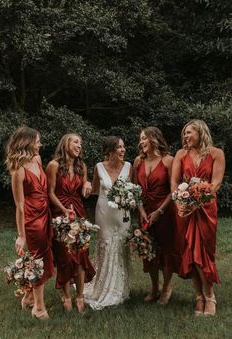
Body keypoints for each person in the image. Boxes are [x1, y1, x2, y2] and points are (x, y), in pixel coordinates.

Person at [171, 119, 225, 316]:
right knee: (190, 254)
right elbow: (175, 183)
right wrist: (179, 203)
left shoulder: (216, 153)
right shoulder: (180, 154)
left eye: (189, 132)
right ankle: (199, 297)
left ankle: (210, 296)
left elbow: (216, 183)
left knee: (203, 252)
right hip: (186, 211)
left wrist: (199, 198)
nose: (185, 136)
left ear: (201, 132)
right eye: (184, 133)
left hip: (205, 209)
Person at [5, 127, 54, 320]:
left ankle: (28, 298)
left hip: (46, 213)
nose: (40, 144)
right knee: (37, 261)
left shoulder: (37, 160)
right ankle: (39, 308)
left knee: (46, 257)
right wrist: (21, 235)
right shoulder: (18, 171)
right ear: (27, 143)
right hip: (32, 220)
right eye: (37, 141)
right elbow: (19, 206)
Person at [46, 133, 95, 313]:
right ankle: (66, 296)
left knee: (81, 254)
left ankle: (80, 296)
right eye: (76, 142)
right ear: (65, 143)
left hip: (79, 212)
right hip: (60, 214)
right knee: (64, 257)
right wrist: (64, 210)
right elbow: (50, 193)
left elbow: (85, 192)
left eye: (81, 143)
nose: (79, 145)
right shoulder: (54, 166)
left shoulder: (81, 166)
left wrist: (88, 185)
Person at [84, 136, 132, 310]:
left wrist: (129, 198)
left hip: (122, 214)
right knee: (105, 245)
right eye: (119, 147)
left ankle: (119, 288)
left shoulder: (128, 166)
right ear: (110, 150)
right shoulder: (98, 167)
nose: (123, 150)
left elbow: (132, 189)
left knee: (121, 246)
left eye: (123, 147)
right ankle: (103, 287)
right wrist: (86, 184)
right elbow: (95, 190)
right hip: (104, 212)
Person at [133, 126, 177, 305]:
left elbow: (174, 191)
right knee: (148, 250)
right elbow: (135, 190)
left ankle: (166, 287)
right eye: (140, 139)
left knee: (166, 251)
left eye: (144, 138)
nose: (141, 142)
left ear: (154, 139)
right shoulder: (138, 161)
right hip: (145, 212)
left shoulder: (169, 161)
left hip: (164, 212)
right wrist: (142, 211)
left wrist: (159, 211)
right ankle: (154, 287)